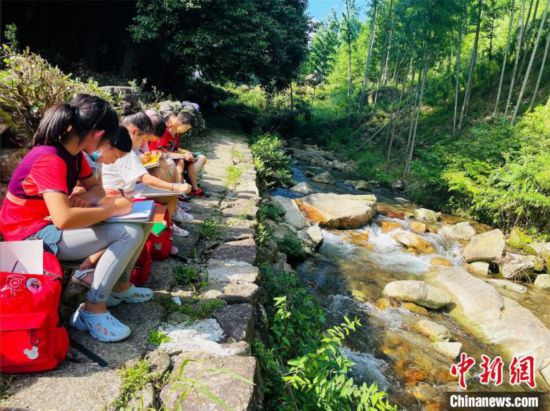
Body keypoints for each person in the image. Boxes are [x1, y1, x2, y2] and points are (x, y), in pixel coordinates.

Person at [0, 94, 153, 343]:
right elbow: (64, 219)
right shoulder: (50, 158)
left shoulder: (75, 155)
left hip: (47, 226)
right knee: (128, 232)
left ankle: (118, 287)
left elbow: (97, 190)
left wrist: (87, 197)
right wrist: (113, 209)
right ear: (98, 134)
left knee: (140, 223)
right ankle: (93, 310)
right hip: (26, 237)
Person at [102, 111, 193, 238]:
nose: (141, 144)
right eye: (142, 140)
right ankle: (158, 232)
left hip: (127, 188)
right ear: (134, 132)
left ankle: (162, 230)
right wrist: (176, 187)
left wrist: (142, 159)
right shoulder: (124, 148)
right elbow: (145, 178)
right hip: (123, 194)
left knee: (170, 194)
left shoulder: (118, 142)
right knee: (170, 196)